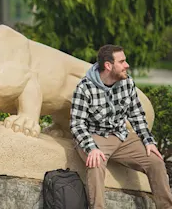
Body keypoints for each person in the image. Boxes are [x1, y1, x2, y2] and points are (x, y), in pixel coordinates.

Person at [70, 44, 172, 209]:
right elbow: (77, 124)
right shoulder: (84, 88)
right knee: (95, 164)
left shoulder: (127, 82)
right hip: (95, 136)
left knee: (156, 161)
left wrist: (148, 141)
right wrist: (91, 148)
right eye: (122, 61)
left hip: (122, 136)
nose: (127, 65)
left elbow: (137, 115)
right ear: (108, 66)